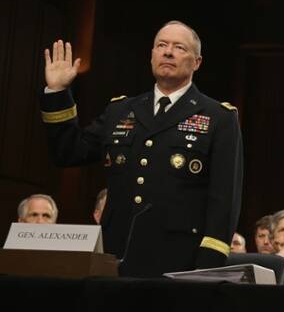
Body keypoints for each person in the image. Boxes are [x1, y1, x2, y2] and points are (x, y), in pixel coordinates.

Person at [40, 20, 243, 278]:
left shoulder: (219, 117)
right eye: (161, 45)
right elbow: (67, 152)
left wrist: (206, 267)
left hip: (179, 261)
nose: (168, 52)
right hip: (116, 256)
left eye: (179, 47)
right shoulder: (121, 110)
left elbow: (224, 199)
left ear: (197, 62)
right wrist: (57, 92)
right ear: (152, 56)